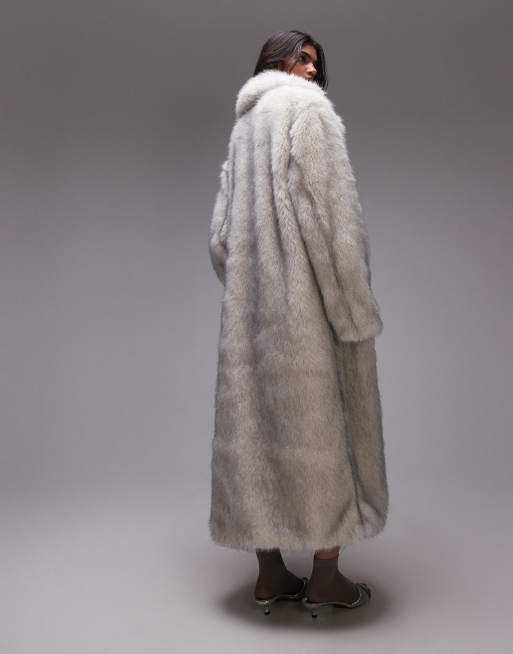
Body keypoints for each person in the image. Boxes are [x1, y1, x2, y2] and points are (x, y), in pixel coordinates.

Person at [208, 30, 389, 617]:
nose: (311, 71)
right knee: (324, 435)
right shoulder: (309, 113)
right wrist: (352, 310)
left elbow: (220, 238)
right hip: (308, 309)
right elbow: (331, 223)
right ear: (276, 60)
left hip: (251, 315)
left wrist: (251, 284)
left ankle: (270, 575)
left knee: (255, 435)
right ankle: (326, 578)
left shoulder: (244, 126)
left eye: (315, 62)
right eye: (302, 58)